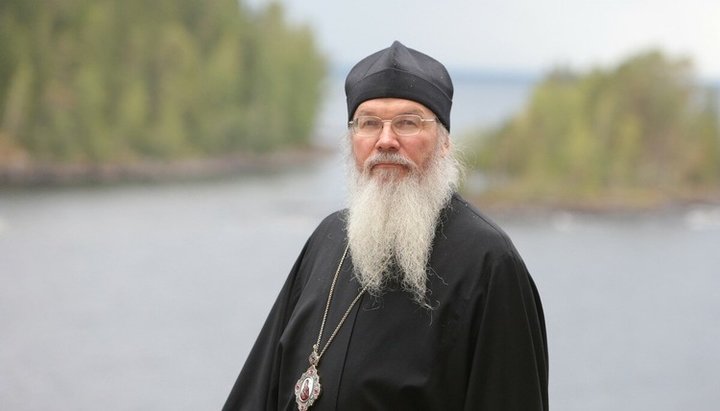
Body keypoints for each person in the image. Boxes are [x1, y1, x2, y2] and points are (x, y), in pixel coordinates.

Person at [223, 41, 548, 411]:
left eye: (408, 123)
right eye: (369, 124)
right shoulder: (327, 239)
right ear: (353, 139)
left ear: (444, 142)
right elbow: (258, 392)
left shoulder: (489, 263)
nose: (386, 140)